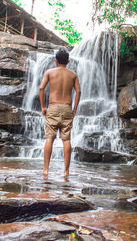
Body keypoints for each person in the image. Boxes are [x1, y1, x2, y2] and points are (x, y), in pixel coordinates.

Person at [39, 49, 81, 177]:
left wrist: (42, 107)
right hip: (67, 107)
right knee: (66, 139)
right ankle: (66, 171)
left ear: (55, 60)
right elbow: (78, 92)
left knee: (50, 138)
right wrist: (74, 109)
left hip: (53, 107)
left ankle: (46, 169)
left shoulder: (50, 72)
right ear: (68, 61)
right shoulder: (73, 75)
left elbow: (41, 88)